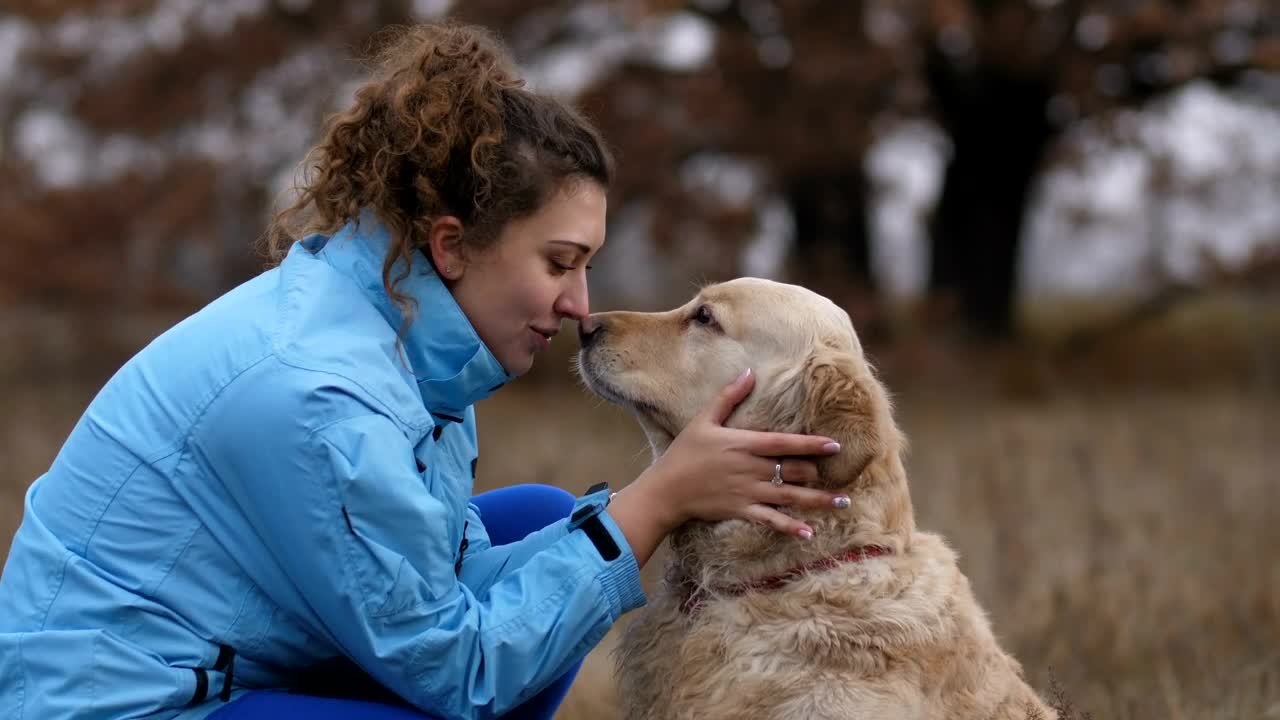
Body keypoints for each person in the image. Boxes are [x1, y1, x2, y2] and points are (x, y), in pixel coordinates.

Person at [0, 22, 848, 720]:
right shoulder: (323, 395)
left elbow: (438, 584)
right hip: (121, 703)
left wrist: (620, 522)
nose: (581, 305)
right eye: (558, 263)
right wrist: (653, 505)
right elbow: (462, 671)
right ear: (452, 245)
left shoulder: (412, 332)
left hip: (234, 657)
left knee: (540, 519)